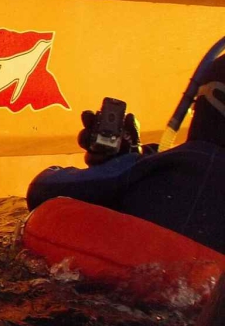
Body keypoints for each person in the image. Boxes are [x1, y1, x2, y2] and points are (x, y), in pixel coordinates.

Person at [25, 56, 225, 254]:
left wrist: (119, 163)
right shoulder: (162, 164)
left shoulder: (163, 166)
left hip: (115, 276)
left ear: (204, 106)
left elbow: (42, 189)